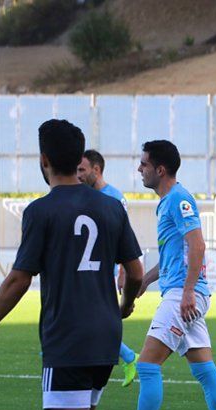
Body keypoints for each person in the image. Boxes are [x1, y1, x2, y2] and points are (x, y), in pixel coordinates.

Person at [0, 119, 144, 410]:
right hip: (104, 338)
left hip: (67, 338)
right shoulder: (111, 207)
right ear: (80, 160)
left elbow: (18, 282)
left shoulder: (40, 211)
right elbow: (135, 272)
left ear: (43, 161)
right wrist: (126, 304)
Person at [101, 140, 216, 410]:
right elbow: (171, 257)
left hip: (182, 296)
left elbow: (198, 245)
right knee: (205, 370)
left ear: (160, 169)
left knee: (147, 365)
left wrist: (188, 292)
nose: (139, 169)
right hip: (182, 293)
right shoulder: (167, 202)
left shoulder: (178, 199)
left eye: (144, 164)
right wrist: (143, 284)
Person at [77, 149, 140, 386]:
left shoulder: (113, 198)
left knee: (92, 322)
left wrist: (123, 272)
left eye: (82, 169)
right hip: (87, 272)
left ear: (97, 169)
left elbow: (124, 238)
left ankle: (128, 356)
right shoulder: (85, 197)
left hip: (106, 273)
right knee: (88, 321)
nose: (78, 174)